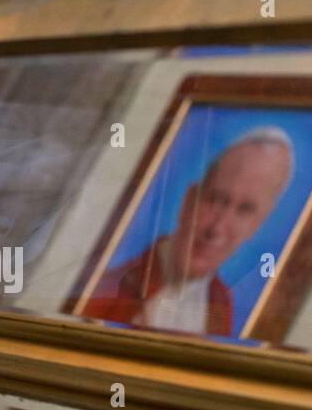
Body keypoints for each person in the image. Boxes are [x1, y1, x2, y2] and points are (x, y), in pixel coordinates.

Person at [79, 127, 294, 335]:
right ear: (189, 201)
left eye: (245, 210)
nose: (217, 228)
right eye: (216, 200)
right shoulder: (108, 289)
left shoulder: (221, 305)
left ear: (257, 224)